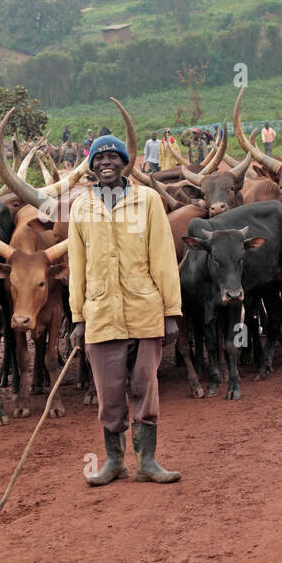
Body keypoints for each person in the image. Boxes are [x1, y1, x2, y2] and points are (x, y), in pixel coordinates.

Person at [68, 134, 183, 486]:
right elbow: (78, 266)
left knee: (146, 389)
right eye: (99, 159)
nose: (106, 163)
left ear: (124, 163)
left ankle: (147, 461)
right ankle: (115, 461)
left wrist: (170, 311)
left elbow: (163, 257)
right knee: (109, 394)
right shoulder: (80, 207)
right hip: (101, 314)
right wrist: (78, 318)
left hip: (144, 309)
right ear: (92, 167)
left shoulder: (147, 200)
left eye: (113, 158)